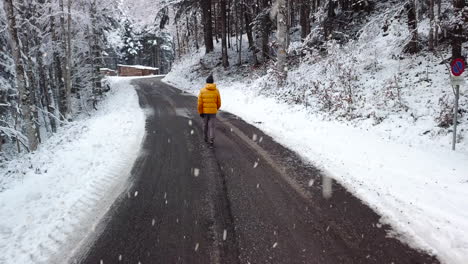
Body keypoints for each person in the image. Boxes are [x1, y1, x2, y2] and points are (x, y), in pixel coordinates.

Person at [198, 75, 221, 148]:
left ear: (206, 82)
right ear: (212, 82)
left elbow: (200, 103)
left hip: (205, 112)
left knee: (205, 125)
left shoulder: (202, 90)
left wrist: (200, 112)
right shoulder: (216, 90)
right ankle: (211, 141)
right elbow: (219, 102)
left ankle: (205, 138)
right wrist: (215, 108)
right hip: (213, 112)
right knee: (212, 126)